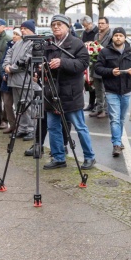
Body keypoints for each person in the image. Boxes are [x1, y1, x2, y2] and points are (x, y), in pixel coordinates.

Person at [43, 14, 95, 170]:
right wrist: (41, 69)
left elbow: (83, 63)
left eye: (59, 24)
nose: (56, 27)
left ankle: (89, 157)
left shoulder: (77, 43)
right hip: (51, 92)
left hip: (70, 93)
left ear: (67, 26)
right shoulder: (49, 44)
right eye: (53, 25)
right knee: (53, 127)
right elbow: (43, 61)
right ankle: (58, 157)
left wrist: (62, 62)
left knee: (80, 126)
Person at [94, 27, 131, 157]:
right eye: (116, 35)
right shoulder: (105, 52)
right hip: (111, 90)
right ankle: (116, 144)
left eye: (121, 35)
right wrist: (110, 72)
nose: (118, 37)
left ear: (125, 37)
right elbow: (98, 68)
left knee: (121, 118)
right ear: (112, 37)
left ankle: (118, 140)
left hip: (126, 89)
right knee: (114, 118)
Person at [2, 20, 37, 141]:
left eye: (25, 28)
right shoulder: (19, 42)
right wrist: (6, 65)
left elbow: (27, 60)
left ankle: (32, 129)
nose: (22, 30)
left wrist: (11, 68)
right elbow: (9, 53)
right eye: (21, 28)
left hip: (26, 81)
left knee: (29, 106)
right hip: (14, 80)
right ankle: (22, 128)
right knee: (19, 106)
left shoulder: (34, 43)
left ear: (31, 30)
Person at [89, 17, 113, 118]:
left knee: (105, 90)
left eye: (102, 23)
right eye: (99, 23)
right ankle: (99, 109)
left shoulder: (111, 36)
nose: (100, 25)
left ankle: (105, 110)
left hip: (106, 66)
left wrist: (102, 51)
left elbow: (111, 49)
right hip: (96, 65)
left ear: (107, 24)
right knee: (98, 89)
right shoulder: (96, 35)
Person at [0, 28, 21, 134]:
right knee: (7, 103)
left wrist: (12, 70)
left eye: (17, 34)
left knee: (19, 105)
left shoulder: (24, 47)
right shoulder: (9, 45)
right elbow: (3, 61)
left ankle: (20, 126)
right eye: (13, 34)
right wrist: (4, 73)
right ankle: (12, 125)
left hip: (18, 79)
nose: (14, 36)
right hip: (7, 80)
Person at [81, 15, 97, 112]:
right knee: (89, 83)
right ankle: (91, 103)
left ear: (90, 23)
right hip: (87, 59)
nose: (85, 28)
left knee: (95, 83)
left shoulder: (96, 32)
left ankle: (96, 104)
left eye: (86, 26)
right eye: (84, 26)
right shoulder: (84, 33)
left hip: (94, 59)